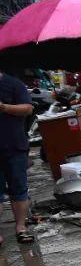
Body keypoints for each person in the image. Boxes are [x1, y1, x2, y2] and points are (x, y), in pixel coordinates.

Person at [0, 70, 36, 246]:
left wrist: (4, 107)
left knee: (19, 188)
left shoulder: (14, 84)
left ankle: (21, 228)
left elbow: (28, 109)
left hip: (14, 146)